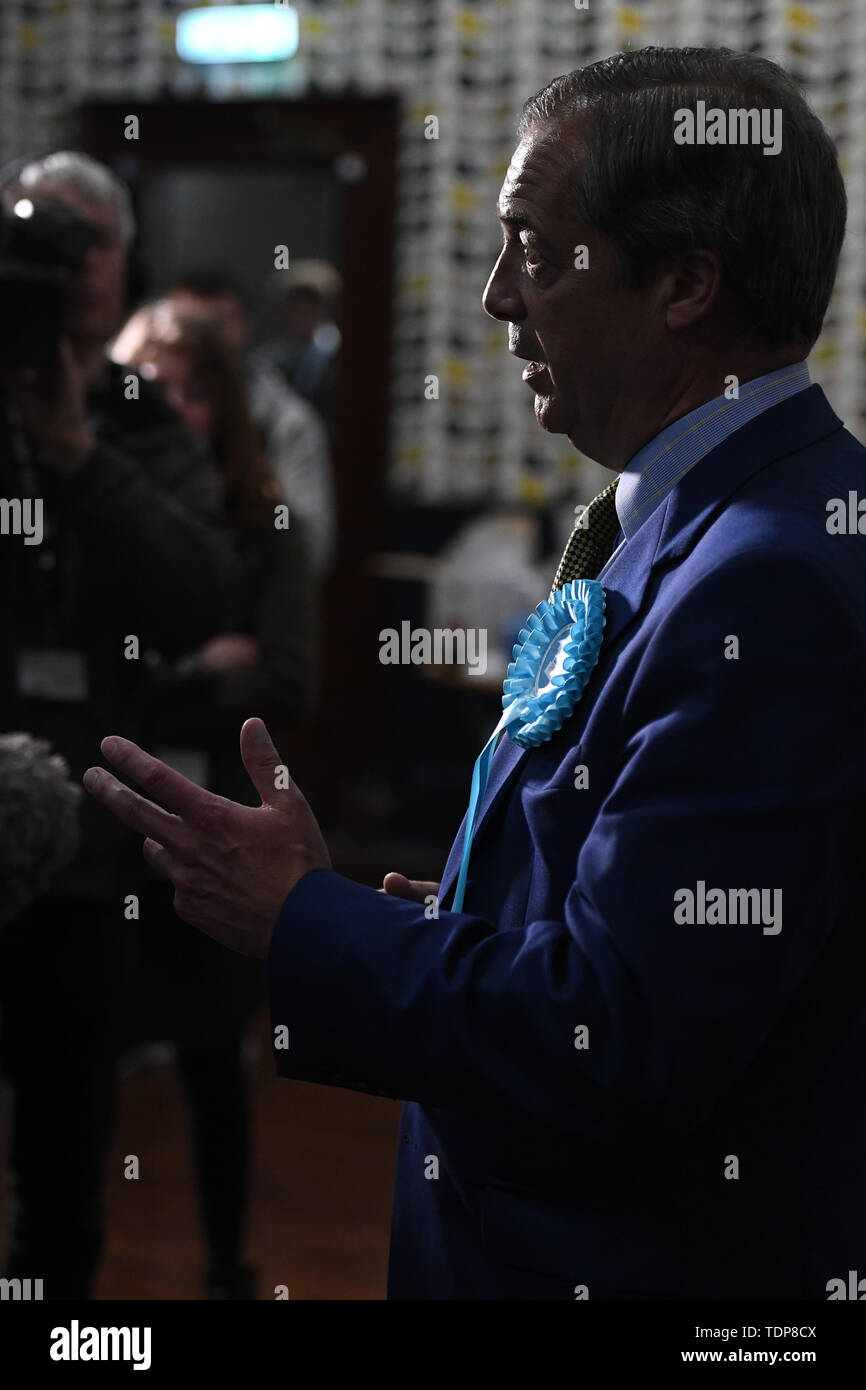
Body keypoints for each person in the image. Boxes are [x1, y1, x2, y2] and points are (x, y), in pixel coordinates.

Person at [84, 47, 866, 1301]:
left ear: (681, 284)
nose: (498, 297)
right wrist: (464, 921)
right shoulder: (716, 516)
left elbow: (613, 1038)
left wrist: (308, 914)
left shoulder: (764, 581)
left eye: (530, 247)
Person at [0, 150, 242, 1300]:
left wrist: (74, 458)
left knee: (64, 1143)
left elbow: (200, 591)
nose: (67, 266)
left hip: (88, 843)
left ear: (123, 258)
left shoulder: (139, 415)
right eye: (39, 239)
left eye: (87, 243)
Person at [109, 299, 319, 1299]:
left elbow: (286, 674)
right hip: (101, 829)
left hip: (211, 827)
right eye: (151, 388)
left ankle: (227, 1267)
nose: (173, 410)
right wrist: (194, 665)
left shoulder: (263, 521)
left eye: (194, 390)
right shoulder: (90, 508)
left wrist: (186, 677)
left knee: (210, 1059)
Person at [161, 270, 336, 577]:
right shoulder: (140, 413)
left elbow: (308, 553)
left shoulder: (287, 422)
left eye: (218, 326)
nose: (205, 343)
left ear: (244, 327)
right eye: (190, 327)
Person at [251, 259, 342, 431]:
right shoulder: (268, 360)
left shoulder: (340, 354)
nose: (301, 311)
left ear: (327, 307)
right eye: (294, 304)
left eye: (310, 304)